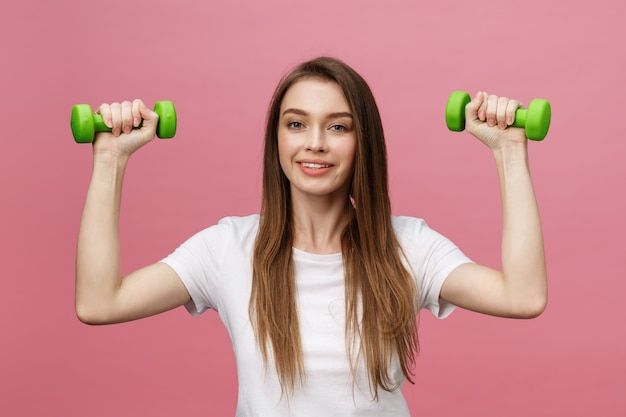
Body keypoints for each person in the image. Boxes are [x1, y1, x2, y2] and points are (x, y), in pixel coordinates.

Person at [75, 56, 547, 416]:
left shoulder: (407, 247)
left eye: (338, 126)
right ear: (276, 140)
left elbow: (523, 296)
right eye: (296, 124)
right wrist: (109, 159)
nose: (315, 142)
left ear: (365, 142)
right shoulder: (228, 249)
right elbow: (99, 304)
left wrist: (510, 153)